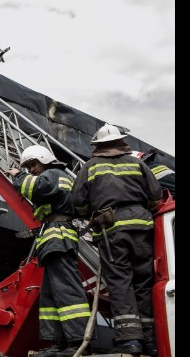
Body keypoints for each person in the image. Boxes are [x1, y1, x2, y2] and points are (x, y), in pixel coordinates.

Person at [71, 124, 163, 356]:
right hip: (142, 228)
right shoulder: (138, 164)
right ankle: (151, 340)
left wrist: (89, 213)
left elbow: (78, 203)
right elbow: (155, 197)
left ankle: (130, 340)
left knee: (121, 282)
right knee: (144, 282)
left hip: (111, 230)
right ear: (121, 142)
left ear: (99, 146)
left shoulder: (91, 167)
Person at [6, 145, 91, 357]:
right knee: (50, 295)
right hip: (52, 241)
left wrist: (18, 176)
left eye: (33, 164)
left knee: (66, 290)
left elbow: (38, 189)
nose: (31, 170)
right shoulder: (52, 176)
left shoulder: (55, 174)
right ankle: (58, 343)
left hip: (59, 238)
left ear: (44, 158)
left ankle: (78, 341)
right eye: (27, 167)